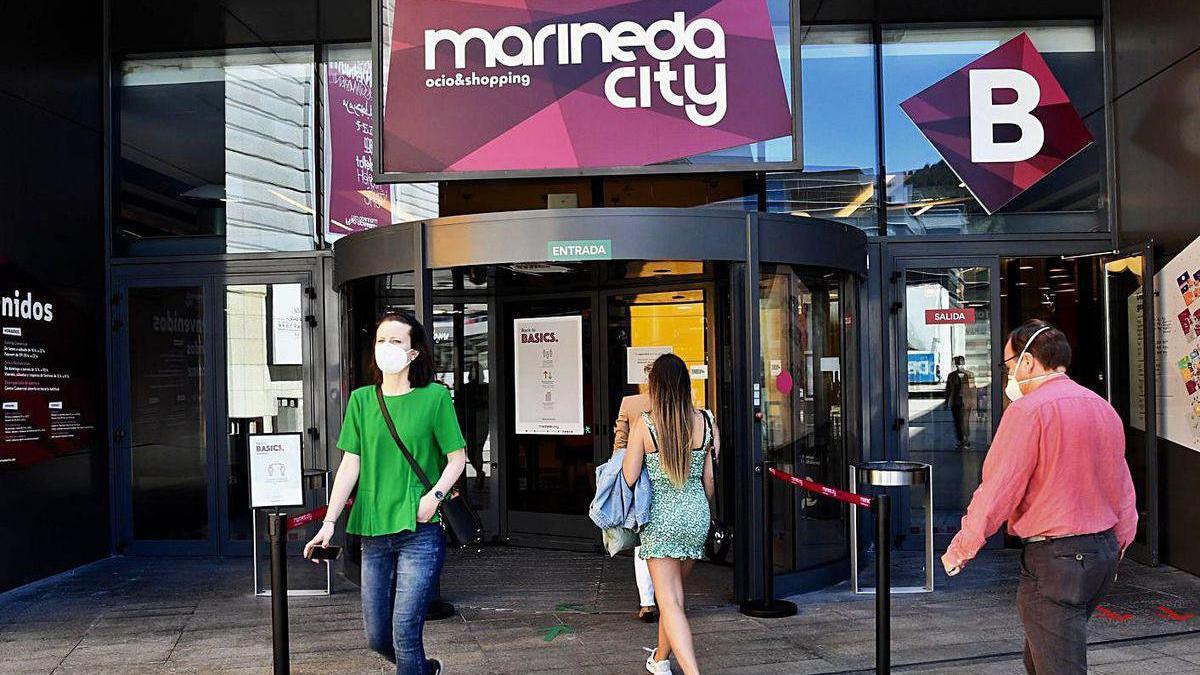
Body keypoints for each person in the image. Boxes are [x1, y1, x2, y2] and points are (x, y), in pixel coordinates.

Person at [941, 320, 1137, 675]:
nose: (1008, 376)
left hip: (1056, 560)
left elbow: (999, 487)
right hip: (1102, 554)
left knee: (1058, 663)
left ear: (1028, 362)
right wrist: (1120, 543)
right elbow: (1121, 484)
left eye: (1007, 365)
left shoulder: (1028, 412)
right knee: (1043, 654)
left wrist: (962, 548)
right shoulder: (1100, 407)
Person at [306, 312, 468, 675]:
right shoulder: (362, 400)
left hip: (419, 530)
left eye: (396, 341)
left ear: (414, 353)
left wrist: (435, 498)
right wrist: (330, 522)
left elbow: (457, 460)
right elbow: (350, 464)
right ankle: (425, 670)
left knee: (405, 632)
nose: (386, 347)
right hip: (373, 531)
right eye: (381, 340)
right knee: (378, 638)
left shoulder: (434, 398)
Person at [622, 354, 718, 675]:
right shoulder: (705, 420)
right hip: (696, 515)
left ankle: (692, 672)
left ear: (656, 386)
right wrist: (700, 510)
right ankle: (660, 660)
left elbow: (630, 476)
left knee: (671, 602)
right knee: (673, 598)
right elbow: (709, 481)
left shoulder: (645, 424)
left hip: (661, 519)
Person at [612, 391, 657, 623]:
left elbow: (620, 442)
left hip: (640, 477)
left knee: (643, 539)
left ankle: (647, 602)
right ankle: (670, 598)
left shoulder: (630, 403)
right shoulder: (681, 403)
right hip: (672, 480)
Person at [944, 355, 976, 448]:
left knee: (965, 421)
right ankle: (960, 439)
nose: (959, 365)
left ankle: (965, 439)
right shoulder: (951, 376)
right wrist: (946, 402)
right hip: (955, 402)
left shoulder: (969, 374)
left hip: (966, 402)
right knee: (957, 422)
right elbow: (948, 389)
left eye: (959, 363)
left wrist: (973, 401)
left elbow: (973, 388)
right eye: (957, 363)